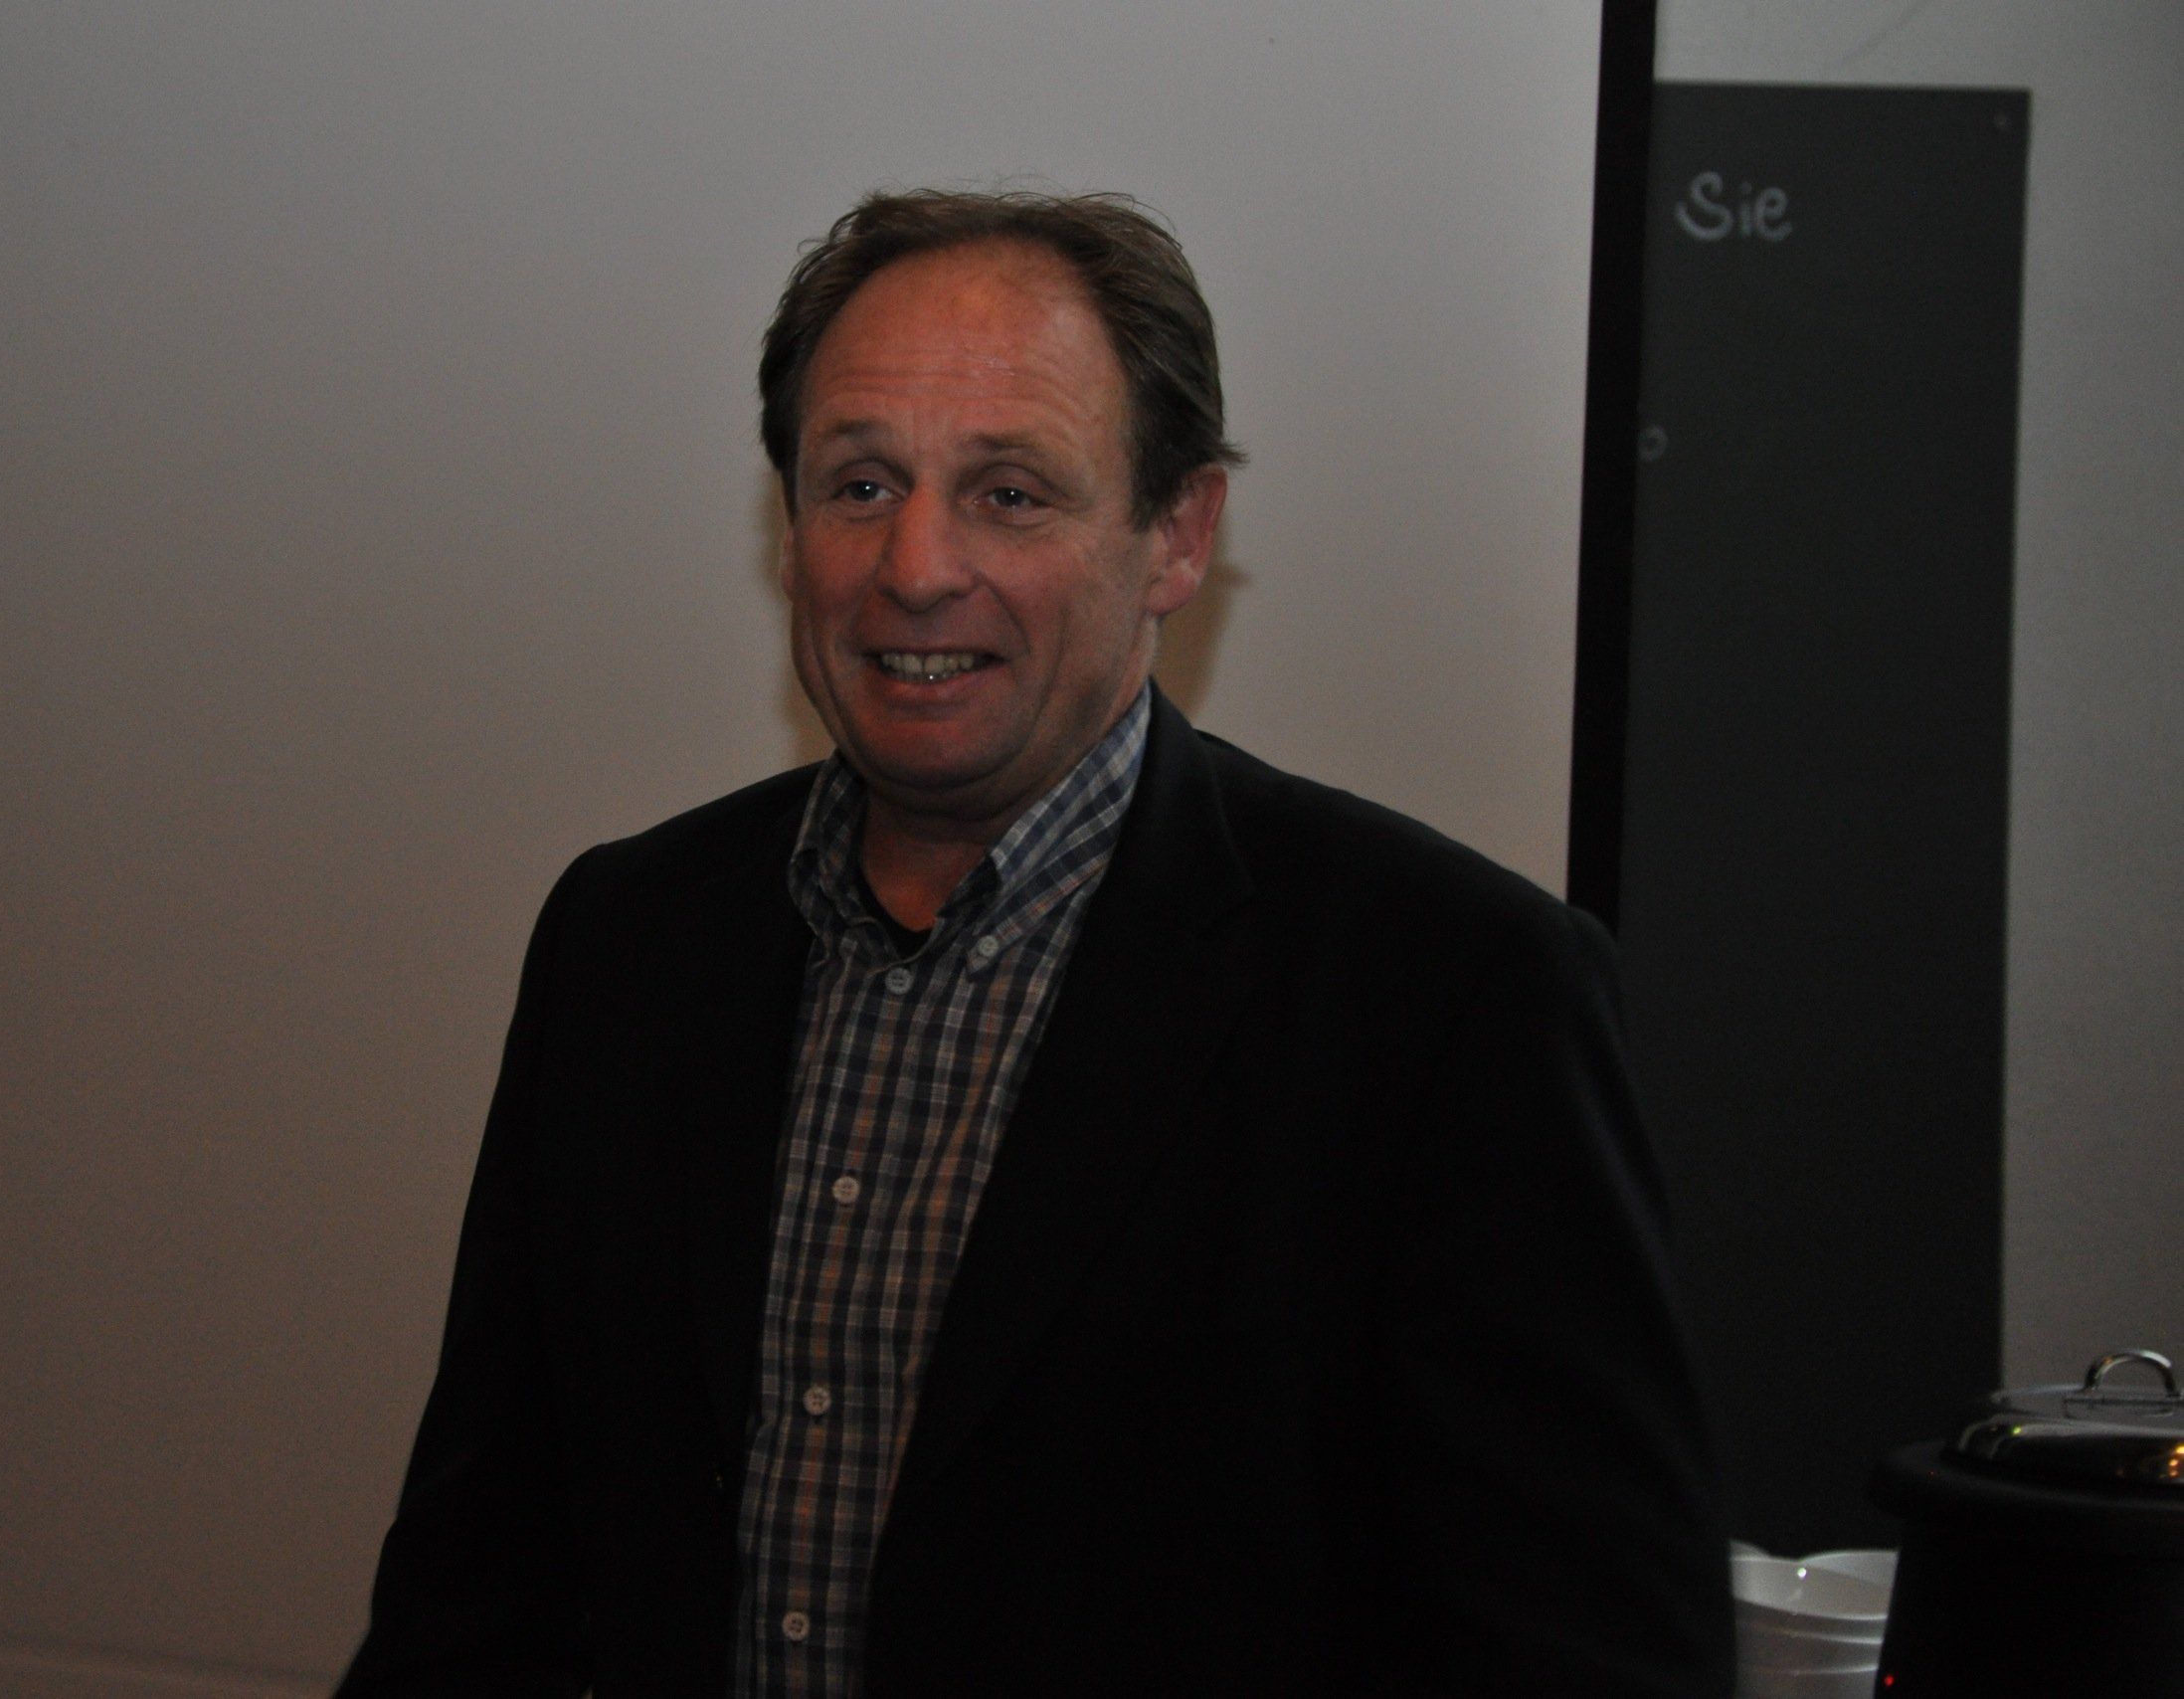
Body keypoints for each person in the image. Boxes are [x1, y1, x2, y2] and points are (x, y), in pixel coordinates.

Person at [334, 189, 1733, 1698]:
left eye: (1009, 493)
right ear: (788, 526)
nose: (916, 565)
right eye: (860, 484)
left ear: (1177, 535)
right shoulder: (627, 941)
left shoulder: (1453, 997)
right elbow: (476, 1592)